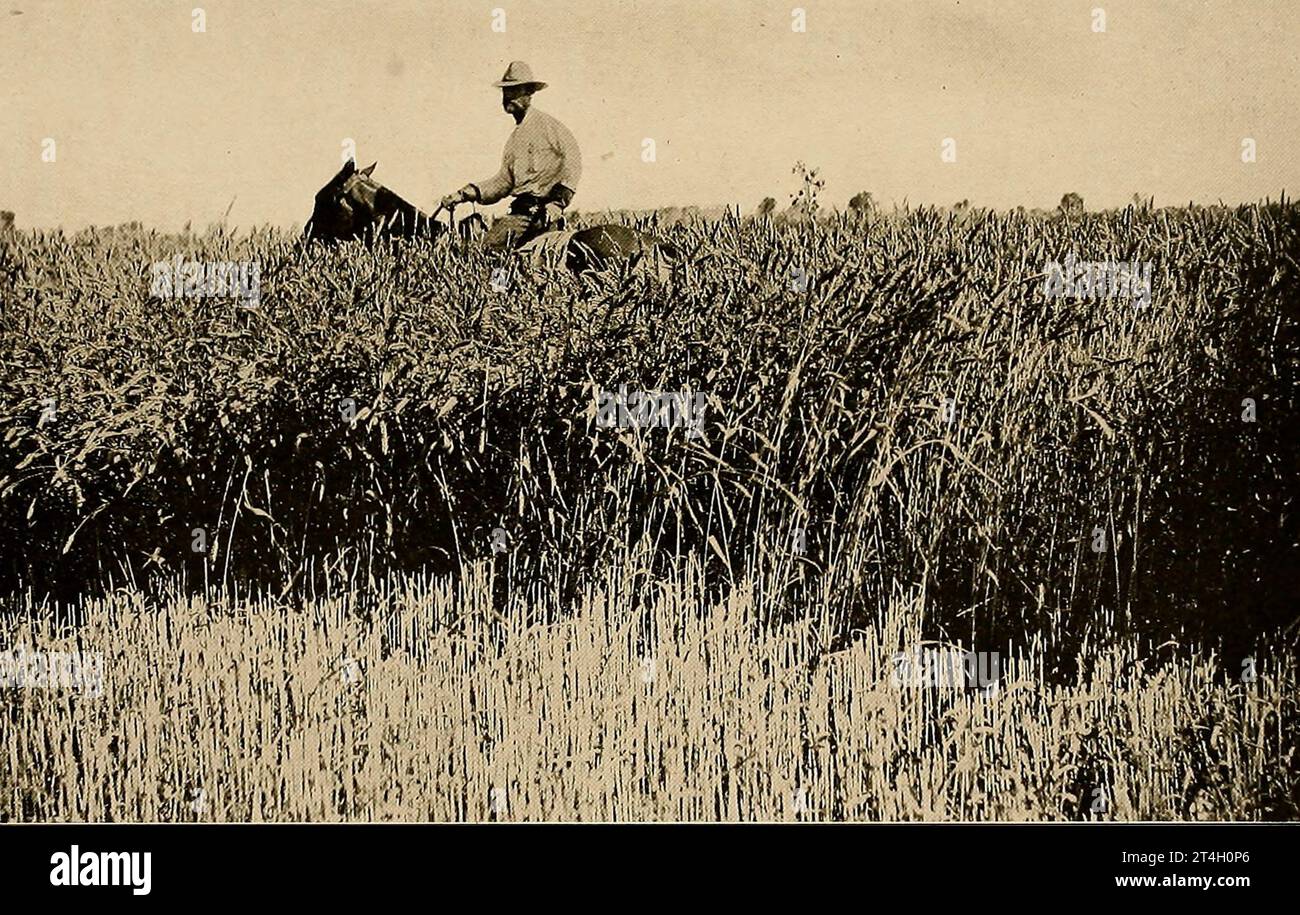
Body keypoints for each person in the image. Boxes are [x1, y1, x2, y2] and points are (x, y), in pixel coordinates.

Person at [439, 61, 582, 250]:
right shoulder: (513, 141)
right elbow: (503, 183)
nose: (508, 96)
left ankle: (497, 281)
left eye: (515, 91)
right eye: (506, 91)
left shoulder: (549, 126)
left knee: (486, 251)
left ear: (530, 93)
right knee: (499, 258)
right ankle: (502, 280)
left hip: (538, 215)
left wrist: (557, 203)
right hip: (520, 211)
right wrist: (463, 194)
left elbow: (573, 160)